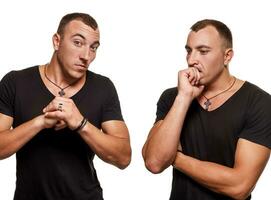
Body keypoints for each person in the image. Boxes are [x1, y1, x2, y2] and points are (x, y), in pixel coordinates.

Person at [0, 12, 131, 200]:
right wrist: (41, 122)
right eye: (78, 43)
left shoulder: (103, 87)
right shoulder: (15, 82)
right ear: (56, 41)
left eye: (93, 47)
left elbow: (123, 157)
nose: (86, 56)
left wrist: (80, 123)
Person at [142, 19, 271, 200]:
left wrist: (176, 158)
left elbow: (240, 186)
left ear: (227, 56)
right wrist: (183, 98)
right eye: (189, 51)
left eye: (203, 51)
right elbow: (154, 162)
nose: (192, 60)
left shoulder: (259, 103)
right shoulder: (173, 97)